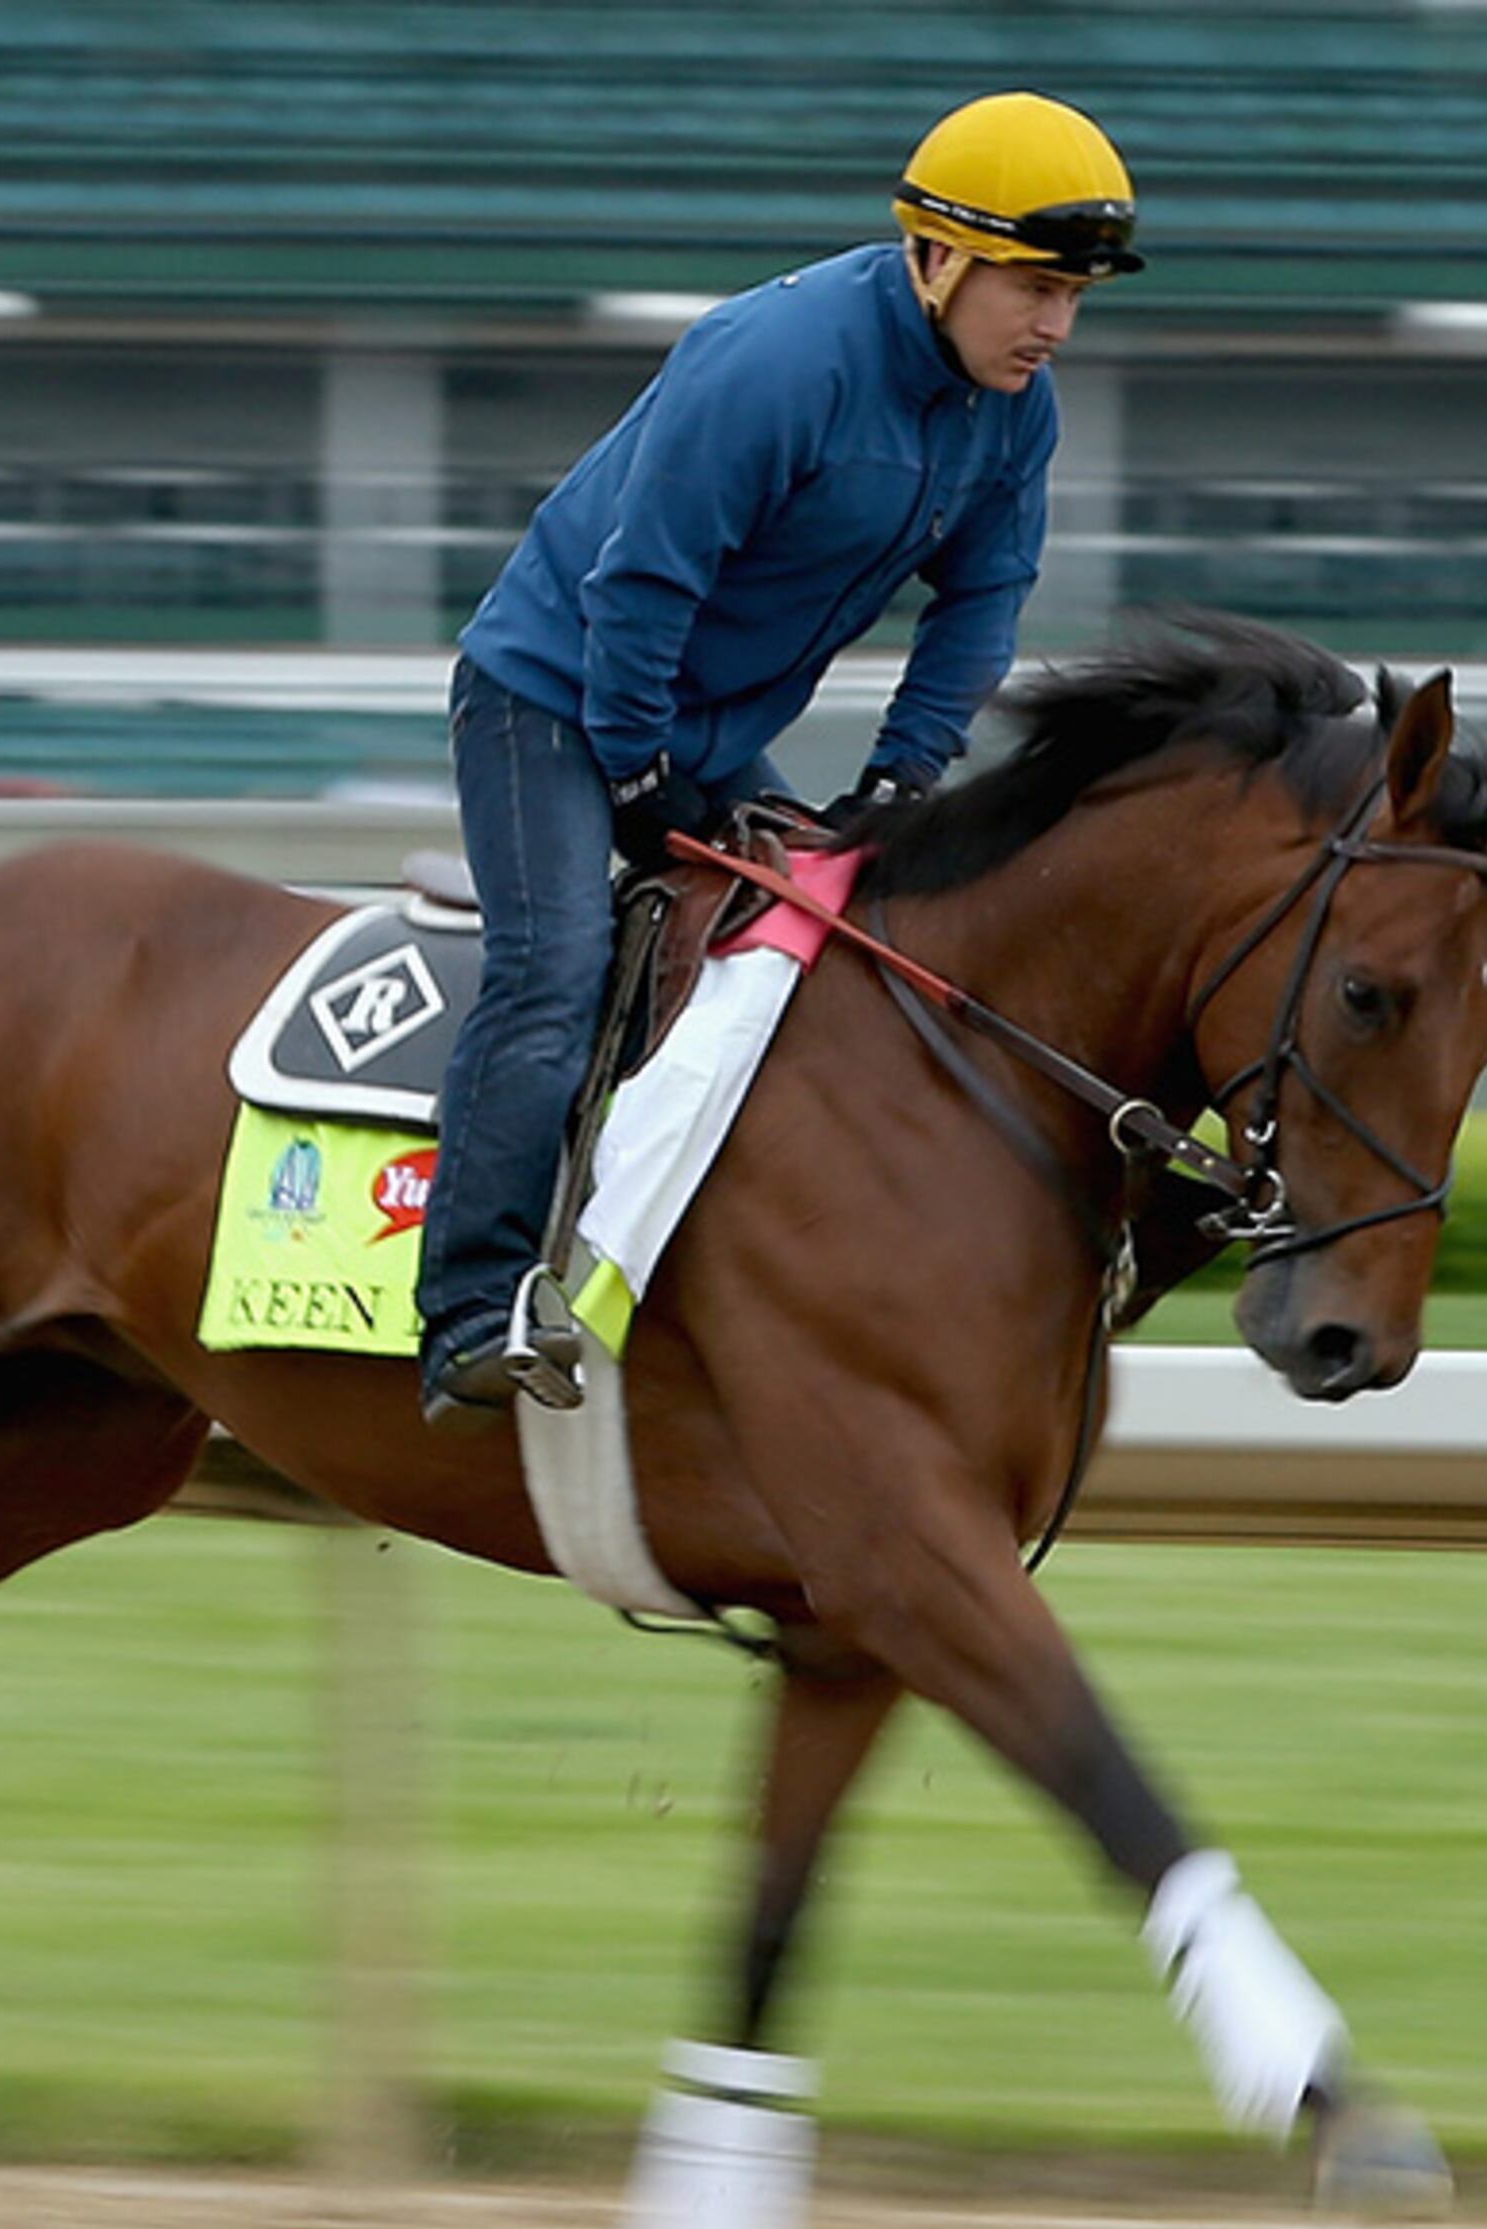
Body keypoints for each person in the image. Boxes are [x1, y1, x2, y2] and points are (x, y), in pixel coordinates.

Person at [415, 90, 1144, 1426]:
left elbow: (986, 598)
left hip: (705, 733)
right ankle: (470, 1306)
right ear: (936, 257)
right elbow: (640, 581)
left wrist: (906, 773)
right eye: (1034, 287)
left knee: (855, 962)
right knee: (559, 962)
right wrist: (634, 771)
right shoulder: (774, 360)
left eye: (1075, 295)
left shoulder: (1014, 414)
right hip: (550, 700)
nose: (1055, 325)